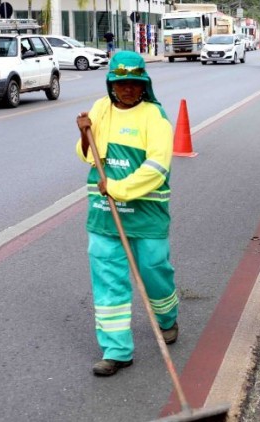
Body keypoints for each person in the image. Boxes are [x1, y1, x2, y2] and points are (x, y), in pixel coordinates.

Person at [75, 51, 178, 377]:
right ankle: (116, 350)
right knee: (108, 282)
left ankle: (167, 317)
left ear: (144, 85)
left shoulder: (154, 117)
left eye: (134, 83)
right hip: (105, 215)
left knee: (153, 270)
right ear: (111, 85)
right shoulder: (101, 110)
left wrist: (118, 189)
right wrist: (83, 132)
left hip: (146, 214)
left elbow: (157, 168)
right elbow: (87, 156)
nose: (127, 90)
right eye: (121, 84)